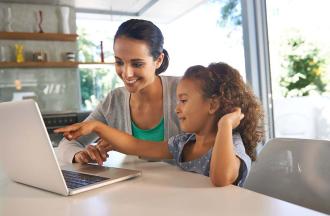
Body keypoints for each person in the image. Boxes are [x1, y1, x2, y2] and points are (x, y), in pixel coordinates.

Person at [55, 62, 264, 187]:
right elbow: (136, 145)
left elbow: (221, 179)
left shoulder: (231, 145)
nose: (177, 109)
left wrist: (225, 125)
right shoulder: (183, 144)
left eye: (183, 100)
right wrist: (97, 127)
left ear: (213, 105)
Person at [58, 19, 181, 164]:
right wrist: (79, 154)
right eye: (119, 62)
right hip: (135, 185)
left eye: (137, 64)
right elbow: (68, 142)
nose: (127, 73)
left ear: (159, 60)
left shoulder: (183, 92)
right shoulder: (113, 100)